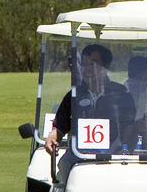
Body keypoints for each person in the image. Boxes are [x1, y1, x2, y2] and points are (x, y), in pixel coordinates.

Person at [44, 43, 137, 178]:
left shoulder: (121, 93)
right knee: (64, 164)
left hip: (113, 153)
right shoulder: (74, 95)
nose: (88, 69)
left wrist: (122, 147)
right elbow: (58, 130)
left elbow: (130, 127)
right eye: (85, 64)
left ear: (106, 67)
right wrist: (50, 140)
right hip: (79, 154)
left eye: (94, 63)